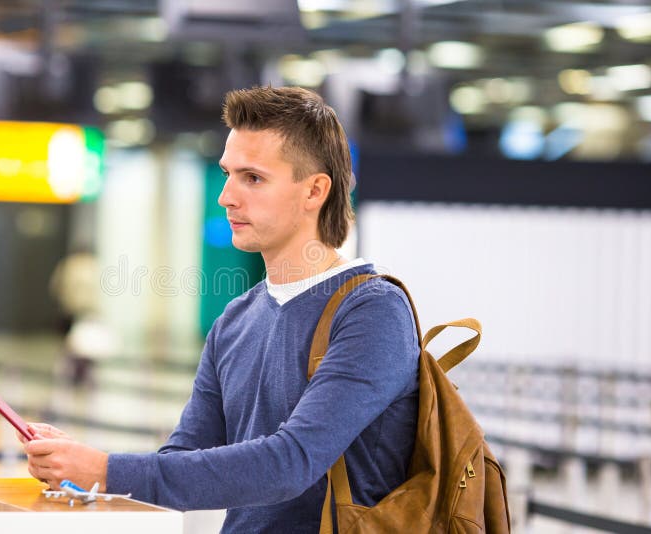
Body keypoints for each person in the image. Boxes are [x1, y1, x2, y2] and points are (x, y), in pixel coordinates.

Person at [21, 86, 419, 533]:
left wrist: (105, 470)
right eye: (228, 174)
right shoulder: (236, 319)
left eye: (253, 178)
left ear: (314, 191)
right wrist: (77, 462)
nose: (226, 196)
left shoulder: (371, 312)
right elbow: (183, 457)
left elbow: (291, 462)